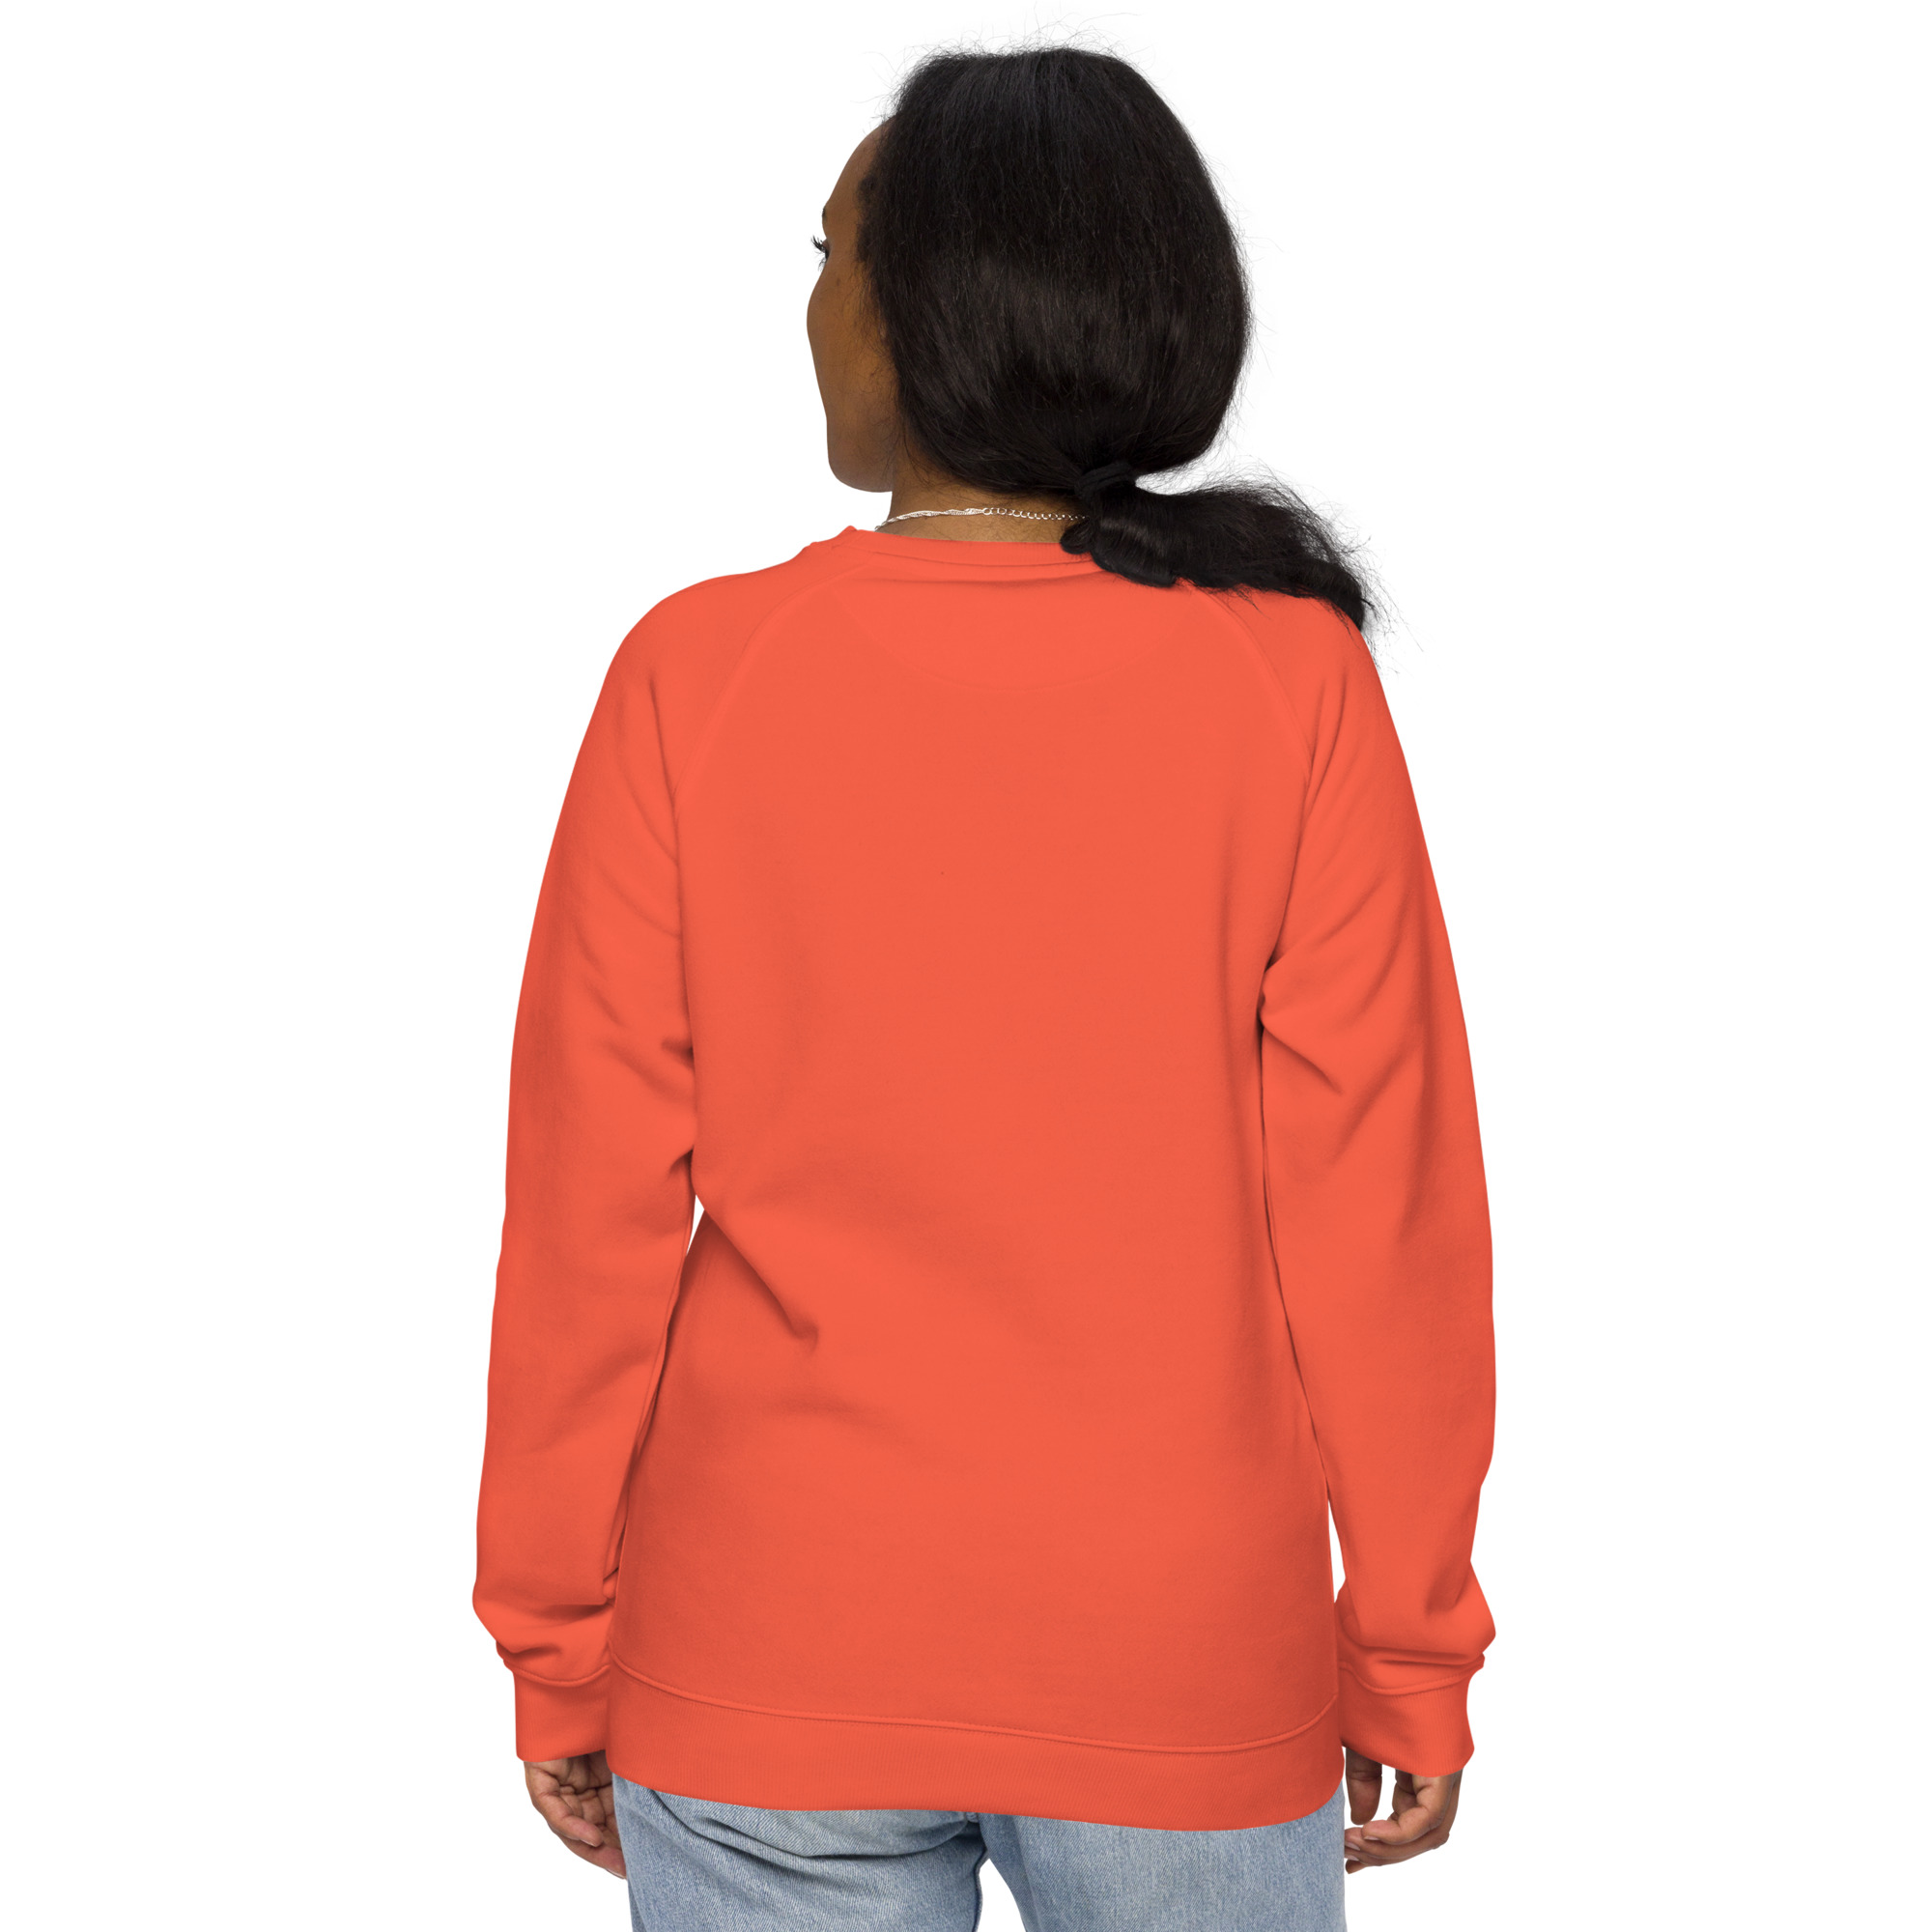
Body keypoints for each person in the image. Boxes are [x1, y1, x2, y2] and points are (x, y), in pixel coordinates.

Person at [473, 43, 1493, 1932]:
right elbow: (1383, 1213)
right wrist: (1413, 1644)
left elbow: (585, 1213)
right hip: (1181, 1659)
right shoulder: (1288, 682)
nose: (812, 304)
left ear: (930, 306)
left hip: (769, 1648)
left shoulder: (698, 676)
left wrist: (557, 1634)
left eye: (832, 253)